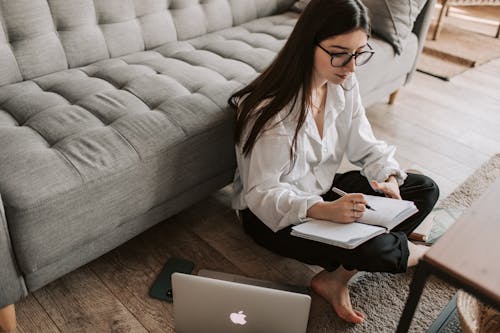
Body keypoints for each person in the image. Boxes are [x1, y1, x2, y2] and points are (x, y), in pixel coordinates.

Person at [228, 0, 439, 325]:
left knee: (423, 189)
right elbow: (261, 194)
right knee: (376, 248)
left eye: (359, 53)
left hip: (323, 190)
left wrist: (388, 177)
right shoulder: (271, 112)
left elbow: (364, 143)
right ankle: (407, 251)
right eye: (340, 53)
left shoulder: (342, 83)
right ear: (308, 43)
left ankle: (336, 277)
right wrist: (323, 211)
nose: (352, 66)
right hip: (275, 217)